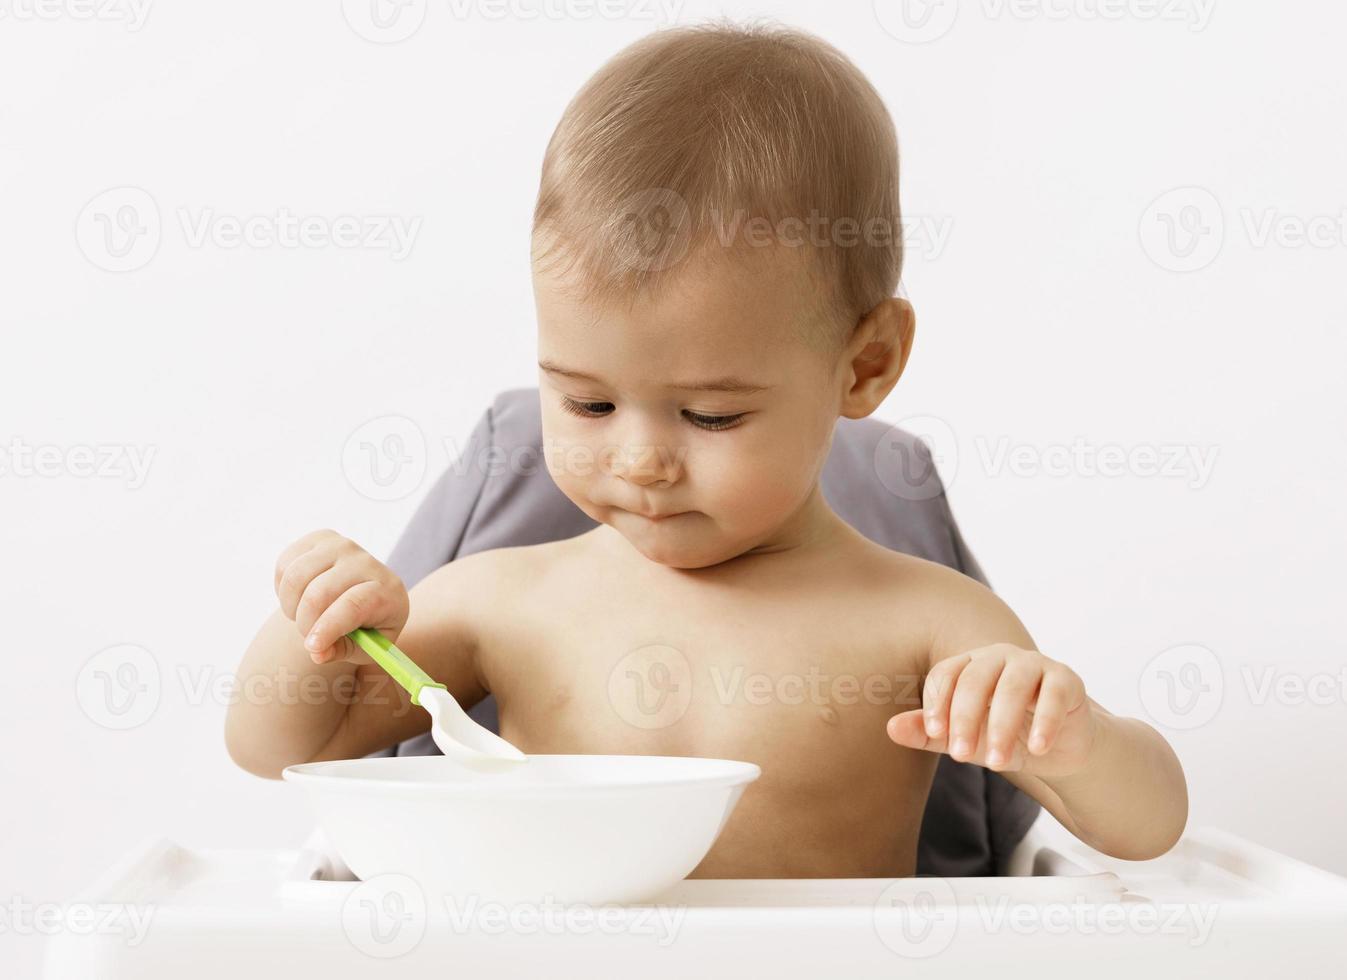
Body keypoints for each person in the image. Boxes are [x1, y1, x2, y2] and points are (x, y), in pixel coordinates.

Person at [226, 20, 1187, 876]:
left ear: (865, 365)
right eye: (588, 402)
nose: (640, 460)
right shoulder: (500, 602)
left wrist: (1072, 738)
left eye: (710, 417)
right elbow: (277, 746)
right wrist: (311, 629)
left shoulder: (924, 619)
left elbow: (1142, 830)